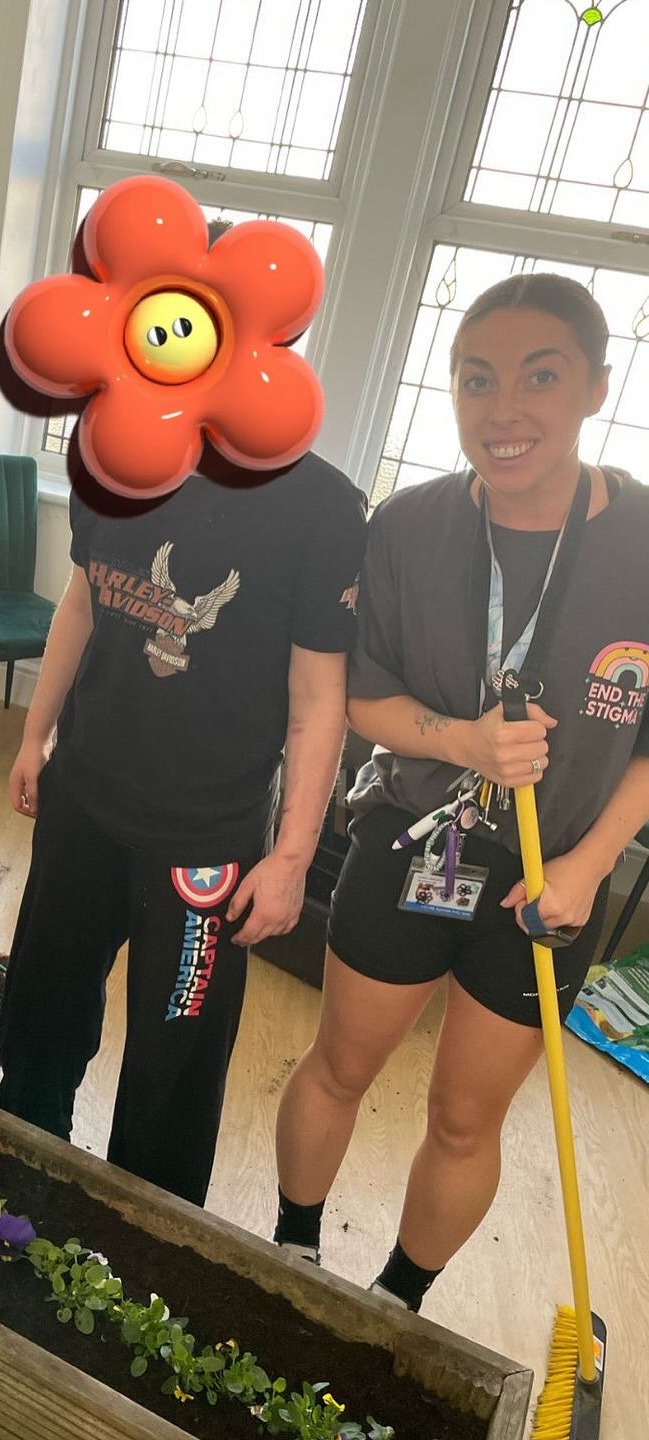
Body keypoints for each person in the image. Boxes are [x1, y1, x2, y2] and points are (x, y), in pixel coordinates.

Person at [273, 273, 649, 1311]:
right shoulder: (406, 526)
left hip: (548, 882)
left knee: (463, 1121)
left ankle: (399, 1304)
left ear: (596, 388)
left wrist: (583, 865)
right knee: (339, 1068)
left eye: (541, 377)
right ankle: (291, 1253)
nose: (504, 409)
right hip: (410, 840)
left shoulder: (644, 540)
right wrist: (470, 745)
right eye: (477, 380)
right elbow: (364, 699)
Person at [0, 428, 367, 1206]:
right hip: (84, 799)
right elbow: (81, 601)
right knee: (42, 1007)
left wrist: (293, 855)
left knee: (176, 1061)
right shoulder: (110, 451)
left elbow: (318, 694)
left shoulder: (323, 507)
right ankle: (20, 1173)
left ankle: (147, 1242)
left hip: (209, 840)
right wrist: (36, 733)